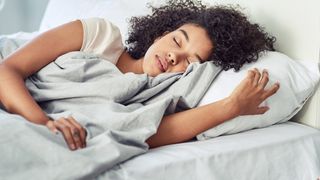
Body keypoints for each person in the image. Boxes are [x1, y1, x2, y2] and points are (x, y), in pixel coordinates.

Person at [0, 0, 279, 151]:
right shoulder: (100, 35)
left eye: (189, 61)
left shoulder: (156, 95)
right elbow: (8, 69)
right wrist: (44, 124)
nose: (174, 57)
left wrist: (231, 106)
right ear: (161, 33)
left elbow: (145, 131)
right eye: (177, 41)